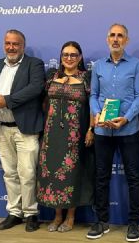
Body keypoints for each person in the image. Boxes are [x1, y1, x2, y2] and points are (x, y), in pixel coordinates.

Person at [0, 29, 45, 232]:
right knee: (9, 173)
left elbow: (35, 88)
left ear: (23, 46)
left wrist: (6, 101)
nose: (11, 47)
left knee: (28, 173)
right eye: (8, 43)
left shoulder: (34, 64)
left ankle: (31, 213)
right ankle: (15, 212)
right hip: (1, 128)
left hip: (25, 129)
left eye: (16, 44)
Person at [87, 23, 139, 242]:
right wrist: (97, 114)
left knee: (133, 177)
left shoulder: (137, 65)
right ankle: (101, 221)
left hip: (128, 130)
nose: (115, 39)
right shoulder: (98, 66)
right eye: (112, 35)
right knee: (101, 177)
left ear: (126, 40)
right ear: (107, 39)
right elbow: (93, 95)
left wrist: (126, 118)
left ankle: (134, 223)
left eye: (120, 36)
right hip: (103, 131)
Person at [37, 41, 95, 232]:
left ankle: (70, 217)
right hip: (51, 134)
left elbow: (93, 105)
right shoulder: (51, 76)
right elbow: (43, 102)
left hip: (75, 134)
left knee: (72, 174)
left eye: (73, 55)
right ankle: (57, 216)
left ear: (80, 57)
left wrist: (91, 129)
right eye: (65, 55)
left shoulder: (86, 77)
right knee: (53, 173)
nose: (69, 58)